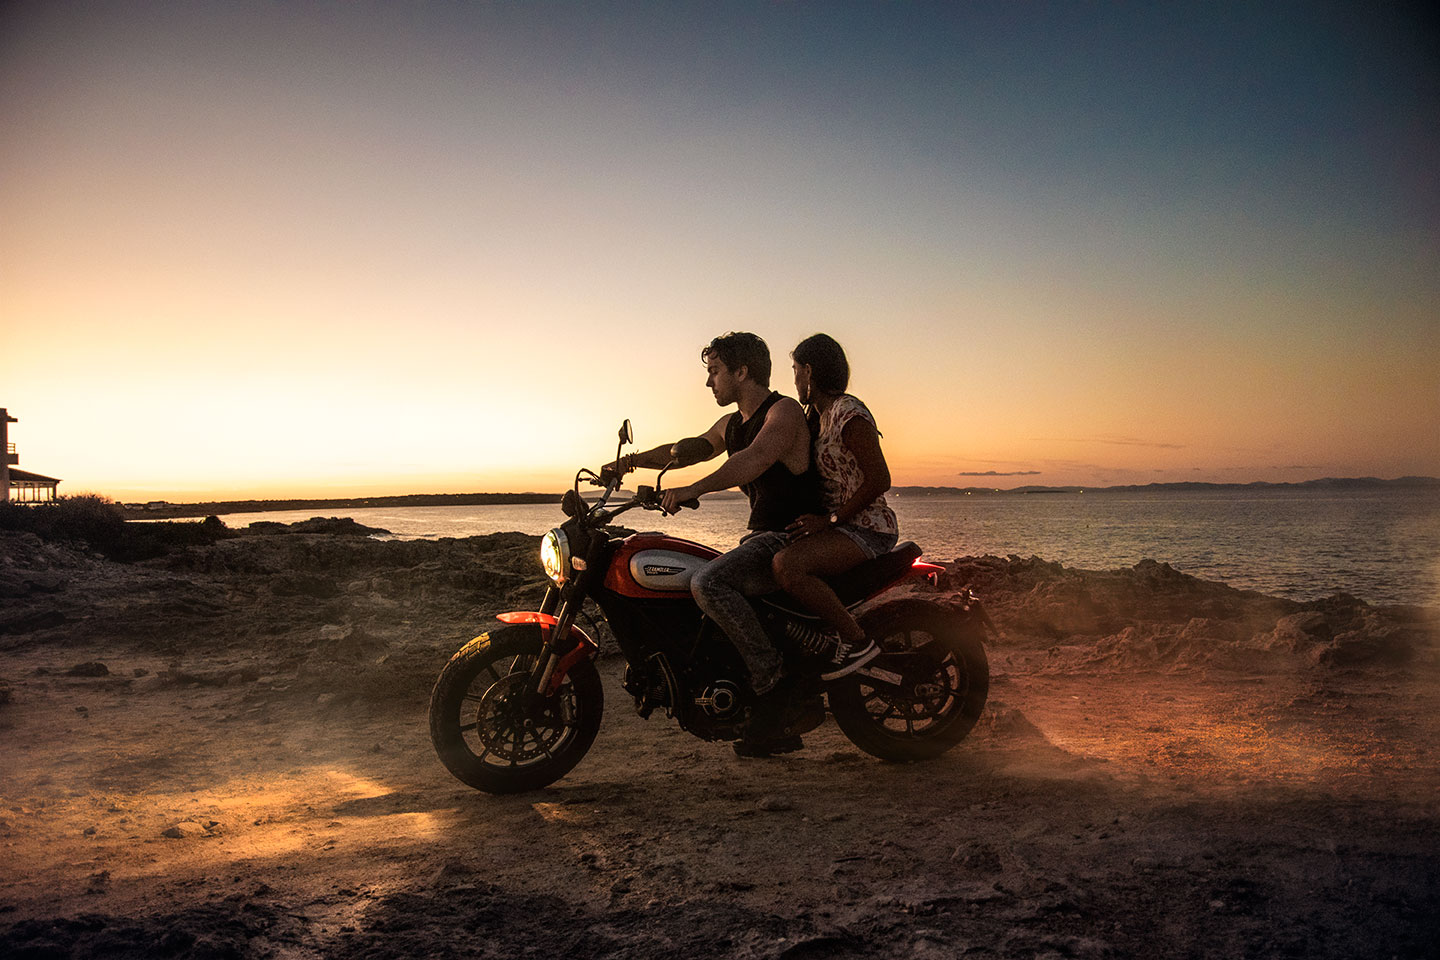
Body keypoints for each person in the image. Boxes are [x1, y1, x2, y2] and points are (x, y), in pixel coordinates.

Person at [603, 332, 819, 754]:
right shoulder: (731, 425)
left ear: (742, 372)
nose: (708, 382)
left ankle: (774, 688)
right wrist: (628, 463)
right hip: (761, 538)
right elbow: (686, 450)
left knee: (708, 582)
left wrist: (692, 489)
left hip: (788, 537)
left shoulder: (784, 412)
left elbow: (754, 459)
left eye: (715, 371)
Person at [772, 333, 898, 680]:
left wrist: (829, 520)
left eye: (795, 369)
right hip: (841, 526)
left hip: (867, 527)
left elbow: (879, 479)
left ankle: (857, 641)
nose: (793, 378)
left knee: (787, 566)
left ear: (809, 371)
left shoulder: (848, 412)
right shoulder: (816, 416)